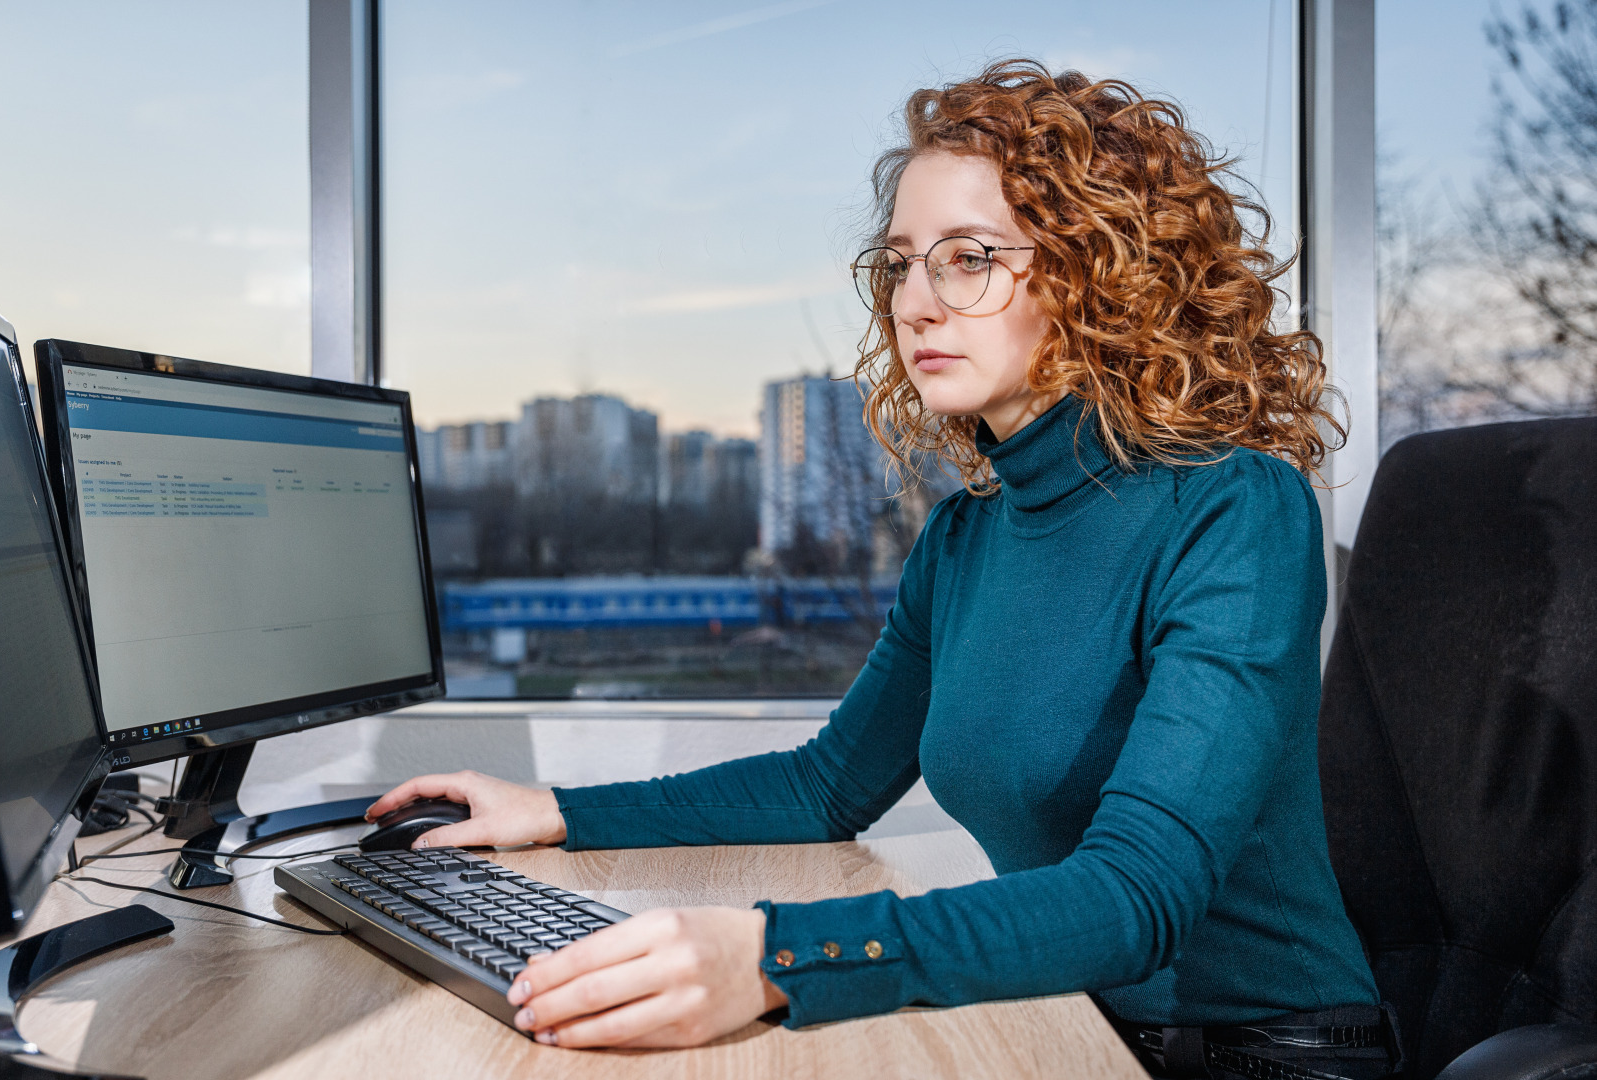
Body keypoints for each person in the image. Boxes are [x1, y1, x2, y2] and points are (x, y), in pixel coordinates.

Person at [368, 61, 1401, 1078]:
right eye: (900, 262)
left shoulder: (1231, 508)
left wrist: (779, 957)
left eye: (965, 257)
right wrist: (550, 809)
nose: (913, 303)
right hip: (1070, 1024)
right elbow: (824, 788)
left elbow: (1137, 895)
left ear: (1098, 270)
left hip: (1261, 1053)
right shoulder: (965, 536)